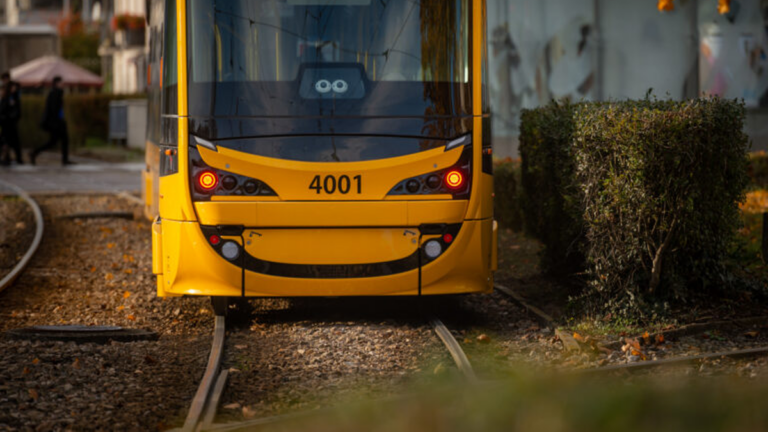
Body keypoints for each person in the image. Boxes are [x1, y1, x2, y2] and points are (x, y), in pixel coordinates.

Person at [31, 76, 71, 166]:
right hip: (56, 123)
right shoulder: (55, 93)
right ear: (57, 83)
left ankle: (35, 152)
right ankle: (64, 160)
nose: (62, 85)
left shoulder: (55, 93)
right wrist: (58, 122)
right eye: (61, 83)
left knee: (55, 141)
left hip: (56, 122)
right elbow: (54, 110)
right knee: (60, 140)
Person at [0, 72, 23, 165]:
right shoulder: (6, 97)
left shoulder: (14, 96)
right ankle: (7, 158)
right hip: (6, 123)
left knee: (11, 141)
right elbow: (3, 109)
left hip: (10, 122)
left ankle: (11, 158)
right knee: (7, 141)